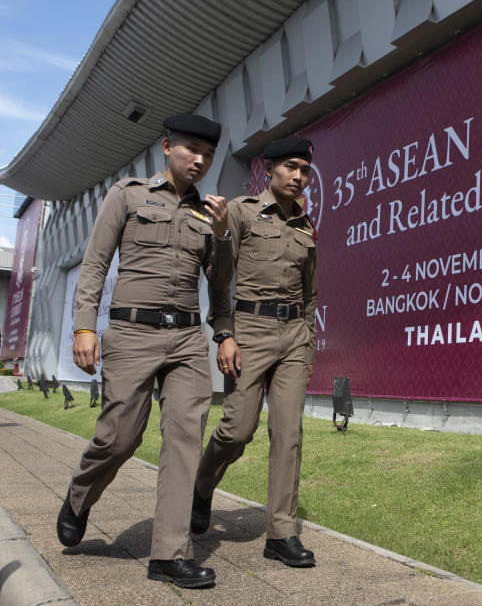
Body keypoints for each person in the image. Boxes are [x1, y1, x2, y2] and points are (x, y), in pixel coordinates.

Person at [58, 114, 232, 589]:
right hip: (131, 334)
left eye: (209, 154)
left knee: (183, 441)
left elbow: (219, 284)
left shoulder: (211, 213)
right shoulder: (128, 194)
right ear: (167, 147)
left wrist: (222, 236)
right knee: (119, 437)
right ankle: (79, 496)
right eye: (191, 148)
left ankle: (168, 555)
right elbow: (94, 263)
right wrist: (83, 327)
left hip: (186, 341)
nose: (199, 159)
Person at [192, 136, 318, 568]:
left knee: (288, 435)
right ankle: (203, 485)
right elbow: (219, 277)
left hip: (293, 336)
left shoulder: (306, 225)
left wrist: (308, 341)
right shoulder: (240, 211)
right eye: (291, 167)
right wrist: (224, 333)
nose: (298, 176)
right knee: (237, 429)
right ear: (270, 171)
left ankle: (281, 534)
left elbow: (311, 293)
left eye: (305, 170)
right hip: (248, 330)